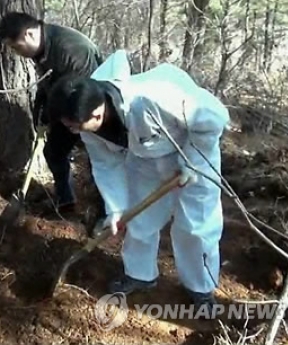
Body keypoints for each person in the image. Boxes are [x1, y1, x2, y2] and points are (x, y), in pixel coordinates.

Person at [45, 50, 230, 312]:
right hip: (145, 159)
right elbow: (106, 165)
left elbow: (213, 118)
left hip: (193, 152)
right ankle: (140, 274)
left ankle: (200, 288)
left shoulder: (154, 97)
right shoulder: (86, 124)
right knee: (139, 218)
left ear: (97, 113)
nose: (72, 130)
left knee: (196, 226)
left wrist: (193, 162)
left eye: (75, 125)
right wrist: (116, 209)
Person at [0, 12, 103, 216]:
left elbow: (76, 93)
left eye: (16, 47)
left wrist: (50, 114)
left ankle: (105, 214)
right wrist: (40, 108)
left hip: (92, 112)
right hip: (67, 109)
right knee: (53, 152)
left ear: (28, 34)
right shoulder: (43, 47)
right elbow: (50, 82)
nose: (17, 53)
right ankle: (66, 203)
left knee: (100, 162)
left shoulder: (71, 49)